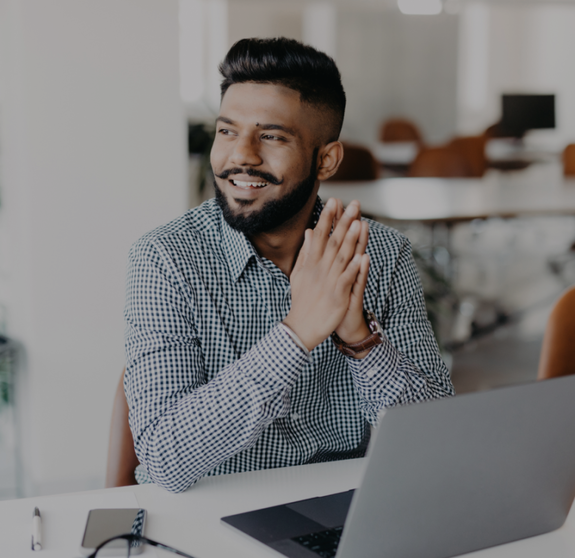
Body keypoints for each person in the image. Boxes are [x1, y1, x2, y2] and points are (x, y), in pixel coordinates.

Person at [124, 37, 454, 494]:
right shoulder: (166, 260)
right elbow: (164, 458)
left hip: (335, 513)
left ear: (327, 159)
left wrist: (360, 340)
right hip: (207, 513)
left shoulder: (381, 254)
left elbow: (437, 440)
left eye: (272, 136)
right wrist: (298, 333)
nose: (240, 155)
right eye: (227, 131)